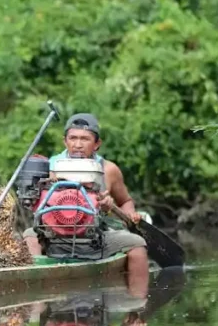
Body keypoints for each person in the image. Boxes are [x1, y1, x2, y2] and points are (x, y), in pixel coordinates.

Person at [24, 112, 149, 297]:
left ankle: (138, 302)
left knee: (138, 244)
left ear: (97, 144)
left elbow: (125, 201)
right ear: (65, 141)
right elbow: (36, 204)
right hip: (54, 234)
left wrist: (128, 214)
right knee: (30, 236)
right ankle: (36, 289)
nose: (78, 144)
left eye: (85, 139)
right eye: (73, 138)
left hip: (95, 235)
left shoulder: (109, 170)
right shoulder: (50, 167)